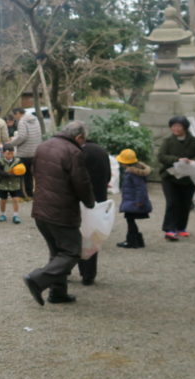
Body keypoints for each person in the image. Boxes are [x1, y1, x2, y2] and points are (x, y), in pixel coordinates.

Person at [22, 121, 95, 306]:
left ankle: (58, 293)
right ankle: (37, 279)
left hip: (41, 208)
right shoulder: (73, 152)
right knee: (72, 252)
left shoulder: (43, 146)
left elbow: (35, 172)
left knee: (57, 253)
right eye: (83, 140)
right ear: (78, 137)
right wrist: (90, 202)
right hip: (61, 211)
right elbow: (81, 182)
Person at [156, 116, 195, 241]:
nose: (175, 128)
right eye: (173, 126)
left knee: (185, 203)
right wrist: (176, 160)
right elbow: (161, 156)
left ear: (185, 127)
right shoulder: (168, 141)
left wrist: (193, 161)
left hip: (189, 177)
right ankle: (169, 229)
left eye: (178, 126)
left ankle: (181, 228)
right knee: (172, 203)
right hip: (170, 177)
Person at [77, 138, 112, 286]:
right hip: (99, 198)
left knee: (75, 235)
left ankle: (65, 270)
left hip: (80, 199)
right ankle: (89, 275)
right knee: (91, 236)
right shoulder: (102, 151)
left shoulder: (78, 151)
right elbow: (109, 176)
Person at [114, 149, 152, 250]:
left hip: (133, 203)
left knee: (130, 221)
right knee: (130, 220)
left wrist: (140, 202)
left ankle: (132, 241)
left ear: (125, 163)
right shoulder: (134, 171)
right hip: (132, 202)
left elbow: (141, 188)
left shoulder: (133, 173)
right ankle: (137, 240)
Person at [10, 108, 42, 198]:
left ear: (18, 113)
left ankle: (21, 195)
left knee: (20, 174)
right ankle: (30, 193)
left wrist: (11, 143)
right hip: (34, 152)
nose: (15, 118)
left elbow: (22, 136)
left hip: (24, 152)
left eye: (14, 115)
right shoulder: (35, 119)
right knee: (29, 175)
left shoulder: (22, 122)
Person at [0, 145, 24, 224]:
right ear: (3, 153)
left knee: (15, 199)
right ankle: (3, 214)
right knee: (3, 200)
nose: (9, 155)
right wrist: (8, 174)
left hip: (15, 184)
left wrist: (15, 174)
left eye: (11, 153)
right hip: (3, 184)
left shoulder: (18, 161)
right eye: (8, 154)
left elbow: (22, 171)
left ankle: (15, 215)